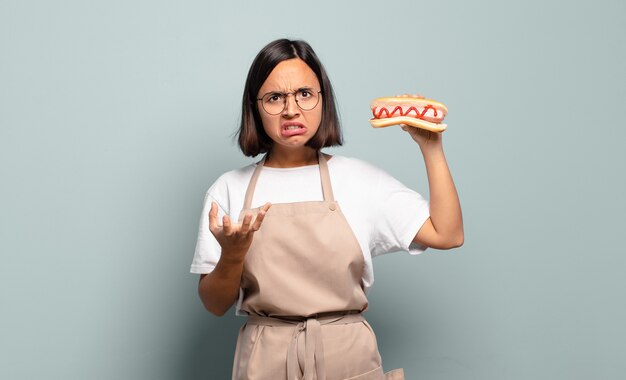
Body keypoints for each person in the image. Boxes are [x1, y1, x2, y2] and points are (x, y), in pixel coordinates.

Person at [190, 38, 464, 380]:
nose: (291, 109)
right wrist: (232, 255)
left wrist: (431, 147)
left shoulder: (360, 180)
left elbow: (448, 234)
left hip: (346, 353)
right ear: (255, 107)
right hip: (265, 358)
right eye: (275, 98)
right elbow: (214, 304)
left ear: (323, 100)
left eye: (305, 94)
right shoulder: (229, 189)